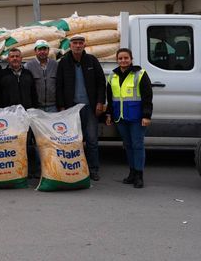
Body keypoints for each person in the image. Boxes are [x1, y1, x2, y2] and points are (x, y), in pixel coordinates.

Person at [56, 34, 106, 181]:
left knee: (91, 140)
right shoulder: (64, 62)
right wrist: (61, 106)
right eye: (75, 43)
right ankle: (75, 168)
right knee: (73, 140)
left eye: (80, 43)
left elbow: (101, 83)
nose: (78, 45)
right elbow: (59, 85)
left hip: (90, 107)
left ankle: (93, 169)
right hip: (71, 109)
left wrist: (100, 102)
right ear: (70, 46)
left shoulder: (92, 60)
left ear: (84, 45)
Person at [105, 48, 153, 188]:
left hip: (137, 118)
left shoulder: (140, 74)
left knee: (137, 146)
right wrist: (109, 114)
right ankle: (132, 173)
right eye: (120, 58)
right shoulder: (112, 76)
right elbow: (110, 97)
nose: (123, 60)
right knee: (128, 146)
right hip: (121, 118)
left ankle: (139, 175)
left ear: (131, 59)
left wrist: (146, 115)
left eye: (126, 58)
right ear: (117, 60)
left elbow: (147, 97)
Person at [0, 47, 40, 177]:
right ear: (8, 59)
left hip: (26, 115)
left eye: (17, 56)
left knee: (26, 143)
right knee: (11, 143)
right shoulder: (2, 74)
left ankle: (27, 170)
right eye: (12, 56)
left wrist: (34, 110)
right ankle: (13, 170)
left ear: (21, 58)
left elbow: (33, 94)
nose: (15, 58)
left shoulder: (28, 74)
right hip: (9, 116)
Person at [24, 40, 58, 112]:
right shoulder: (28, 66)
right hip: (36, 107)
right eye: (39, 49)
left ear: (48, 50)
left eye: (45, 49)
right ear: (35, 51)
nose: (42, 52)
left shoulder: (55, 65)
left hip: (53, 106)